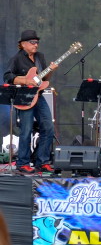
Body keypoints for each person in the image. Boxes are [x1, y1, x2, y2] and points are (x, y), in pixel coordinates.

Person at [3, 30, 57, 175]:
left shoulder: (40, 57)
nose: (36, 45)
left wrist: (50, 70)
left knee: (48, 127)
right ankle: (23, 163)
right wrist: (25, 80)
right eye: (32, 42)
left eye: (37, 42)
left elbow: (44, 79)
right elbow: (7, 77)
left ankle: (42, 162)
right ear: (23, 44)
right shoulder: (16, 59)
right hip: (24, 97)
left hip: (39, 96)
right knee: (26, 131)